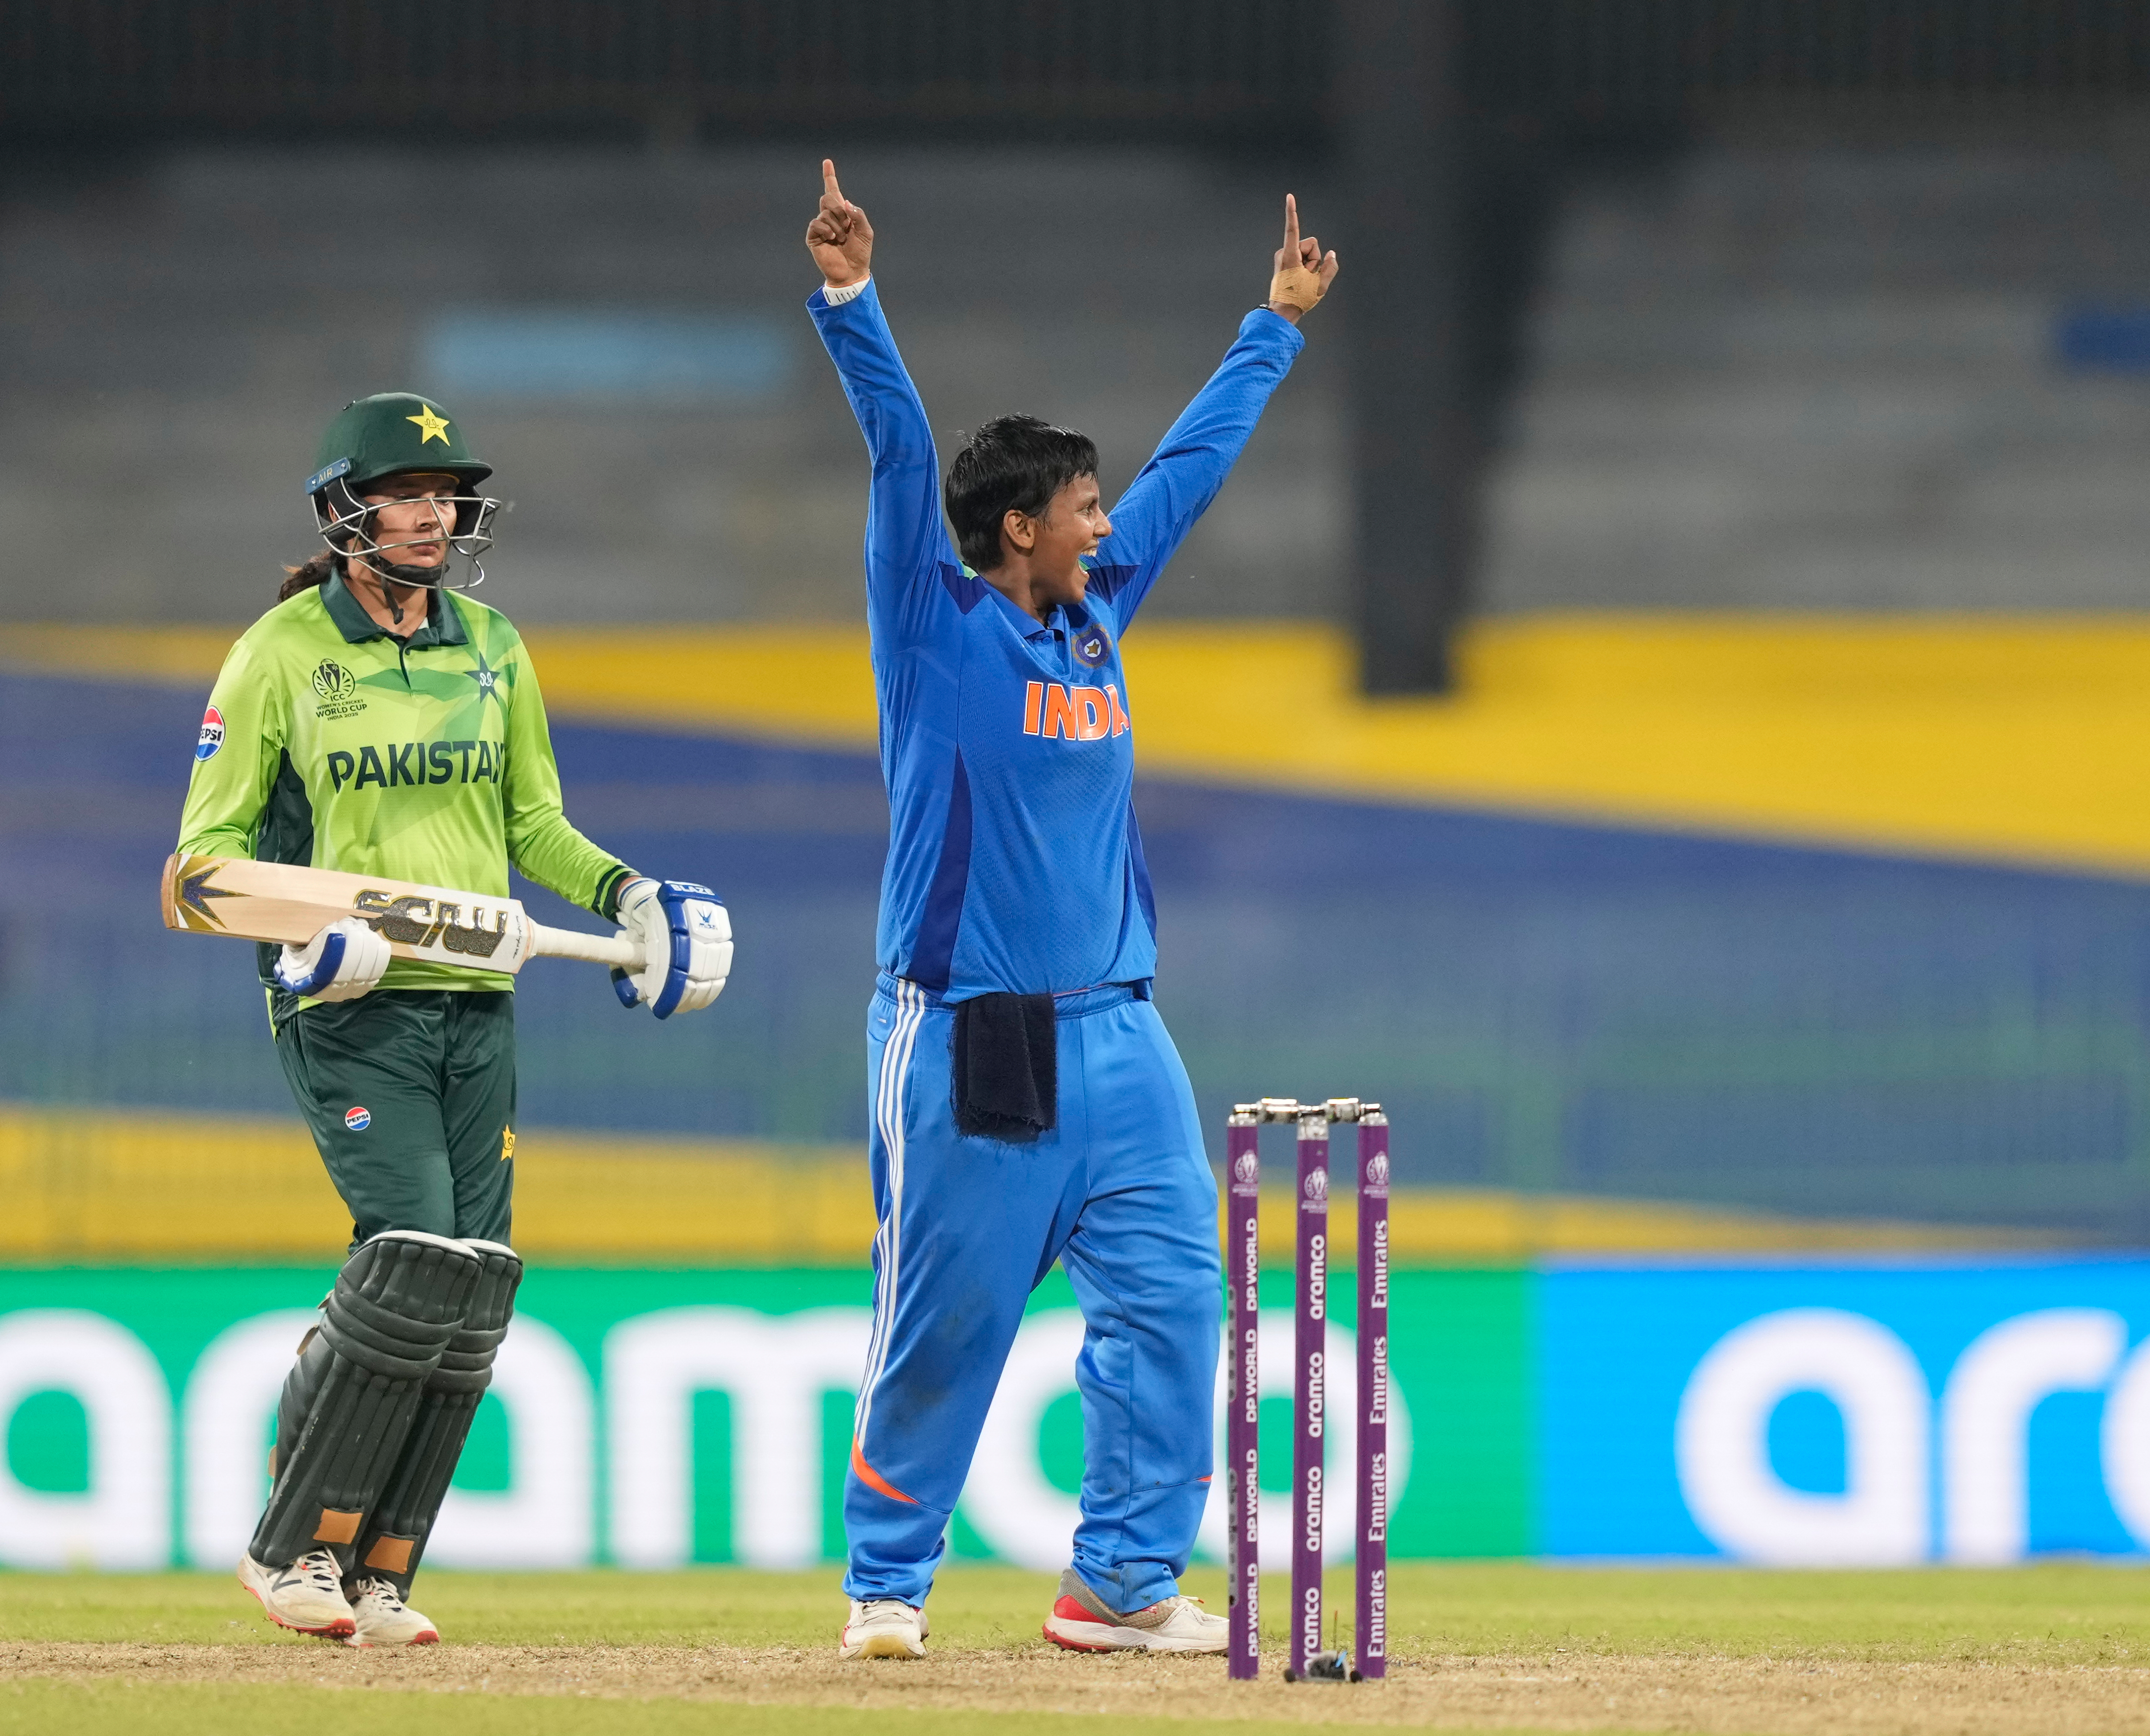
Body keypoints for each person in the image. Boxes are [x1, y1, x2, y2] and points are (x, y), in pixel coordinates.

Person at [803, 160, 1337, 1659]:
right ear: (1016, 527)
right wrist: (852, 301)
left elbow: (1186, 473)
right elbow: (898, 451)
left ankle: (1118, 1581)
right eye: (1079, 508)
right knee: (945, 1327)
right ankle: (886, 1584)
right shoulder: (933, 626)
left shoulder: (1096, 617)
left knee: (1173, 1302)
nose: (1104, 524)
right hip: (969, 1038)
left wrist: (1275, 325)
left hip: (1121, 1033)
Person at [176, 393, 733, 1645]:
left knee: (476, 1282)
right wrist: (310, 930)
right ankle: (293, 1548)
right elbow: (200, 867)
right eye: (406, 495)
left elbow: (531, 823)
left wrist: (630, 896)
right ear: (344, 511)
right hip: (347, 1002)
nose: (434, 515)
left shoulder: (492, 643)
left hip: (478, 1003)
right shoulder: (277, 654)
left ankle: (378, 1564)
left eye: (446, 495)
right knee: (415, 1254)